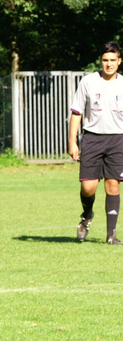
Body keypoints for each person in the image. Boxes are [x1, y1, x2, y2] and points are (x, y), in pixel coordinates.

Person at [69, 41, 123, 244]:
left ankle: (111, 235)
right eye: (105, 60)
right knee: (88, 188)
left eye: (113, 60)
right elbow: (76, 113)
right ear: (100, 61)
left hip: (118, 139)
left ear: (119, 61)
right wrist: (72, 142)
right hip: (92, 138)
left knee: (113, 185)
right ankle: (87, 214)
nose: (109, 64)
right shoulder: (88, 82)